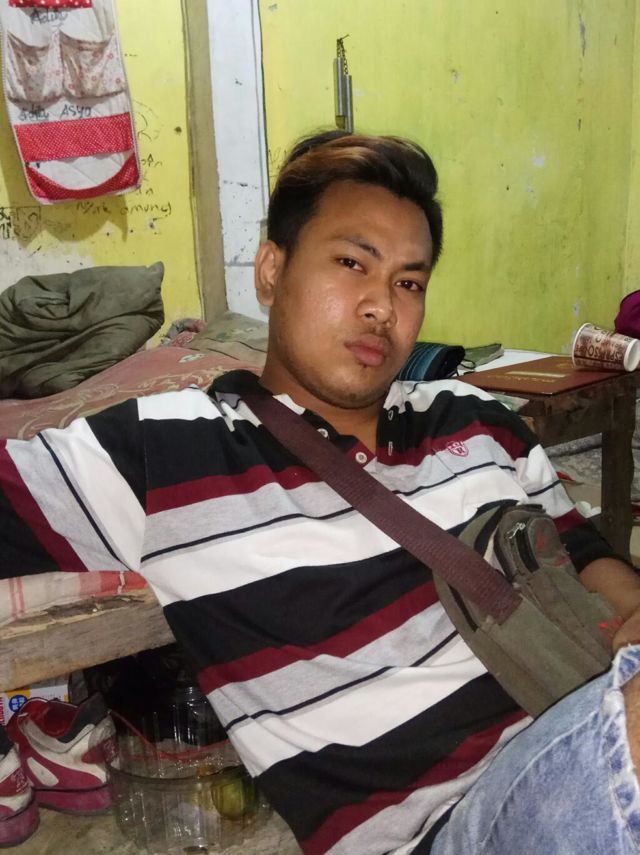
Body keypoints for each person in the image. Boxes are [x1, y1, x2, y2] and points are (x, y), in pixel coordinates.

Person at [2, 130, 640, 854]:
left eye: (408, 282)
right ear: (272, 271)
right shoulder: (168, 451)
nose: (381, 307)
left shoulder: (475, 416)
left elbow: (580, 548)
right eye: (351, 263)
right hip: (445, 830)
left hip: (579, 728)